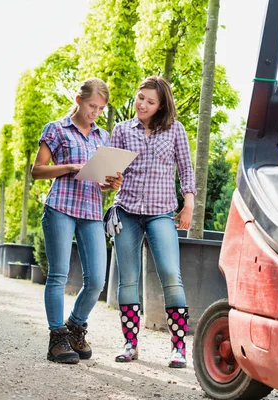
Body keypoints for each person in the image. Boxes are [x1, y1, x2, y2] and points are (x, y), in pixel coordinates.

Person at [31, 78, 123, 364]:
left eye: (100, 108)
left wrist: (112, 183)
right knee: (58, 275)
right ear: (78, 99)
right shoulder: (56, 129)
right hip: (61, 207)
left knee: (96, 279)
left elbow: (102, 181)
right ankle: (57, 340)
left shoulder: (103, 137)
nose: (95, 112)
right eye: (91, 106)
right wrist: (70, 167)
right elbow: (37, 171)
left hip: (92, 212)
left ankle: (75, 327)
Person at [108, 75, 196, 368]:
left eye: (149, 101)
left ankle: (178, 348)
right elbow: (108, 175)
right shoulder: (121, 130)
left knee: (171, 274)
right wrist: (111, 180)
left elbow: (186, 168)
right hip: (127, 209)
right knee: (128, 279)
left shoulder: (175, 130)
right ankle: (130, 344)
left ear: (160, 106)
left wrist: (189, 204)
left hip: (161, 211)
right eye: (139, 97)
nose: (142, 104)